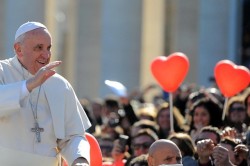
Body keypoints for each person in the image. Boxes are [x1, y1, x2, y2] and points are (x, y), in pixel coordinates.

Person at [0, 21, 91, 165]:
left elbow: (73, 136)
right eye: (39, 48)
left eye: (49, 48)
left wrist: (80, 159)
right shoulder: (2, 72)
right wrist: (29, 85)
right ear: (19, 49)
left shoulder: (59, 84)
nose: (46, 54)